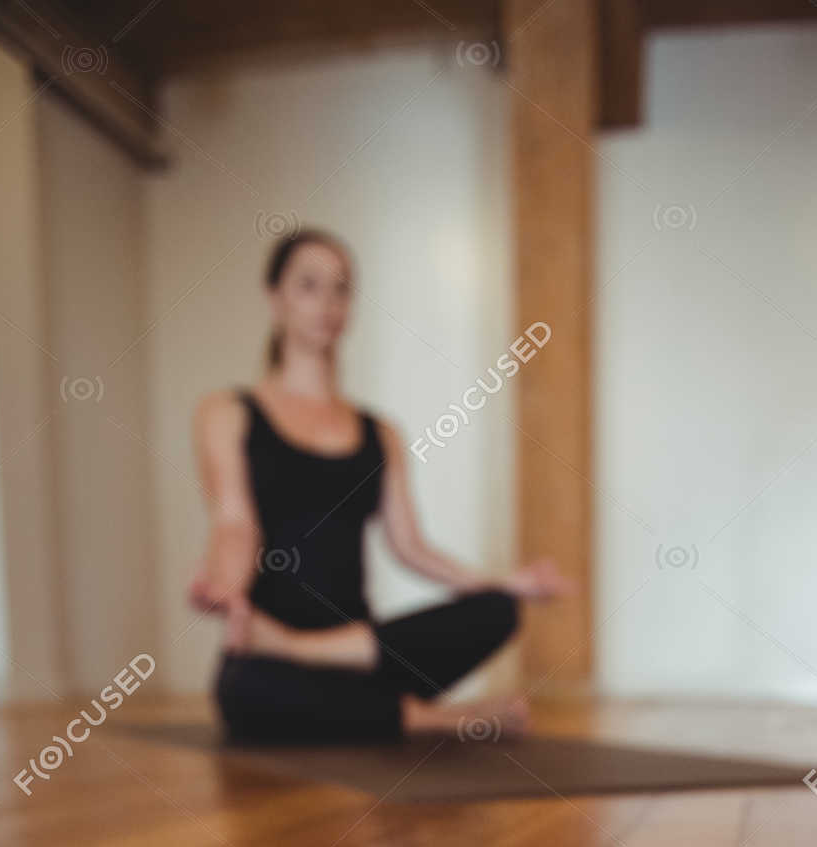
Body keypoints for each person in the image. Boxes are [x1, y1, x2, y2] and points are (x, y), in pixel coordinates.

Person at [190, 227, 567, 743]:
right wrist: (228, 592)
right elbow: (235, 524)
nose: (327, 303)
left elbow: (411, 546)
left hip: (362, 650)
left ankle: (300, 652)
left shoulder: (380, 433)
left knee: (499, 612)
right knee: (247, 692)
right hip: (267, 665)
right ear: (274, 297)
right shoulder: (228, 412)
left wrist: (503, 584)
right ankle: (442, 719)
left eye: (341, 288)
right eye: (309, 285)